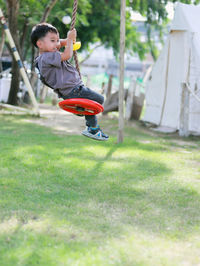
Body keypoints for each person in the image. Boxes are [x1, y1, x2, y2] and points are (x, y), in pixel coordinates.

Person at [31, 23, 109, 141]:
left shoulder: (46, 55)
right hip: (74, 90)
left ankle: (92, 127)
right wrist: (70, 40)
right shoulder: (47, 57)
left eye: (57, 40)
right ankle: (86, 118)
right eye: (52, 40)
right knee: (99, 100)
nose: (57, 43)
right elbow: (67, 55)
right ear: (40, 44)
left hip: (71, 91)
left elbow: (59, 44)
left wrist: (67, 40)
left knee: (90, 104)